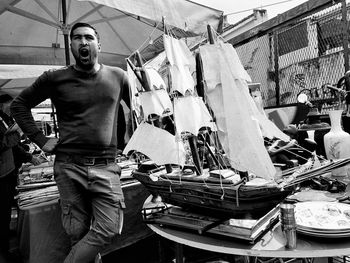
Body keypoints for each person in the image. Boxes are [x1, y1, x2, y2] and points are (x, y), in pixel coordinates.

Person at [11, 22, 130, 263]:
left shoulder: (119, 76)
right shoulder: (55, 78)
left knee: (108, 227)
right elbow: (18, 105)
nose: (83, 42)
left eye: (88, 37)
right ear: (71, 45)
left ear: (99, 43)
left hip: (106, 167)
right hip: (68, 167)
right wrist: (40, 138)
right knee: (77, 233)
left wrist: (128, 142)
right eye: (77, 38)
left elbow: (135, 109)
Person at [0, 95, 41, 262]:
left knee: (6, 209)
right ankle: (3, 251)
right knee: (1, 211)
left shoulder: (4, 119)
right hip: (1, 175)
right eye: (9, 106)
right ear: (2, 105)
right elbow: (6, 144)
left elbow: (13, 147)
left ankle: (5, 237)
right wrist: (12, 138)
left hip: (8, 171)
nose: (11, 109)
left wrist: (29, 157)